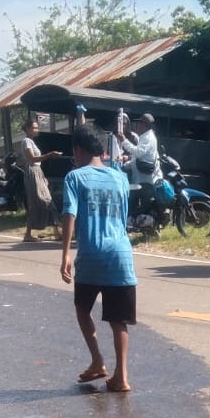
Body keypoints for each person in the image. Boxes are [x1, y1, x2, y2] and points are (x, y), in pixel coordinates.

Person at [60, 124, 137, 393]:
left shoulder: (74, 177)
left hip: (92, 254)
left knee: (83, 309)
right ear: (102, 150)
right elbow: (123, 217)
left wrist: (66, 254)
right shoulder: (120, 178)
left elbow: (70, 214)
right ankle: (121, 377)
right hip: (121, 254)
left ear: (78, 150)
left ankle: (97, 360)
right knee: (119, 319)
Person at [17, 117, 58, 241]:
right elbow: (32, 159)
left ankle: (56, 231)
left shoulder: (31, 141)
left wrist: (42, 176)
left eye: (37, 127)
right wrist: (49, 155)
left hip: (38, 172)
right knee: (41, 200)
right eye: (34, 127)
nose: (37, 129)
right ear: (28, 129)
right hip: (32, 171)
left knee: (45, 200)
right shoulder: (26, 141)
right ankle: (28, 234)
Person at [124, 112, 163, 188]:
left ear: (144, 125)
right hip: (141, 180)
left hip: (145, 182)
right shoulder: (145, 137)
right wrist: (125, 165)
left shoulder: (148, 138)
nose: (136, 125)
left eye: (138, 123)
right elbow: (138, 158)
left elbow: (138, 153)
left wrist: (123, 140)